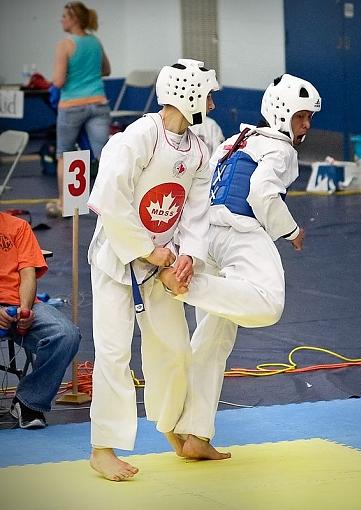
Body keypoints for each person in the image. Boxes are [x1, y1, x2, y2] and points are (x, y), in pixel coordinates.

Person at [159, 73, 321, 457]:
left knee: (213, 338)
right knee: (268, 303)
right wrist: (291, 229)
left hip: (205, 234)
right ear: (282, 113)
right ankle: (183, 285)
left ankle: (195, 434)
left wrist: (187, 245)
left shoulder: (236, 139)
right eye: (301, 117)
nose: (307, 126)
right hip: (238, 230)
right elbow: (261, 192)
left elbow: (202, 187)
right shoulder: (280, 149)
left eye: (309, 118)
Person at [87, 59, 219, 481]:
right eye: (208, 95)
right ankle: (102, 448)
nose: (213, 103)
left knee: (176, 350)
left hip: (162, 259)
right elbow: (111, 201)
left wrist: (186, 256)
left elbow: (196, 214)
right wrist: (151, 253)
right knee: (113, 351)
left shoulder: (198, 149)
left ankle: (172, 427)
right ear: (188, 95)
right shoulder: (139, 137)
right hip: (118, 258)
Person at [0, 211, 81, 428]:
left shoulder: (18, 227)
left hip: (21, 303)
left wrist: (25, 311)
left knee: (66, 334)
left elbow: (28, 273)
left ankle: (29, 402)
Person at [46, 1, 111, 218]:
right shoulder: (95, 41)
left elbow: (58, 81)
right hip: (98, 103)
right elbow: (106, 70)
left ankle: (64, 204)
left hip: (71, 106)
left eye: (65, 16)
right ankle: (112, 202)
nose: (61, 19)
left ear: (74, 18)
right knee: (106, 156)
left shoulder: (64, 45)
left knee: (63, 154)